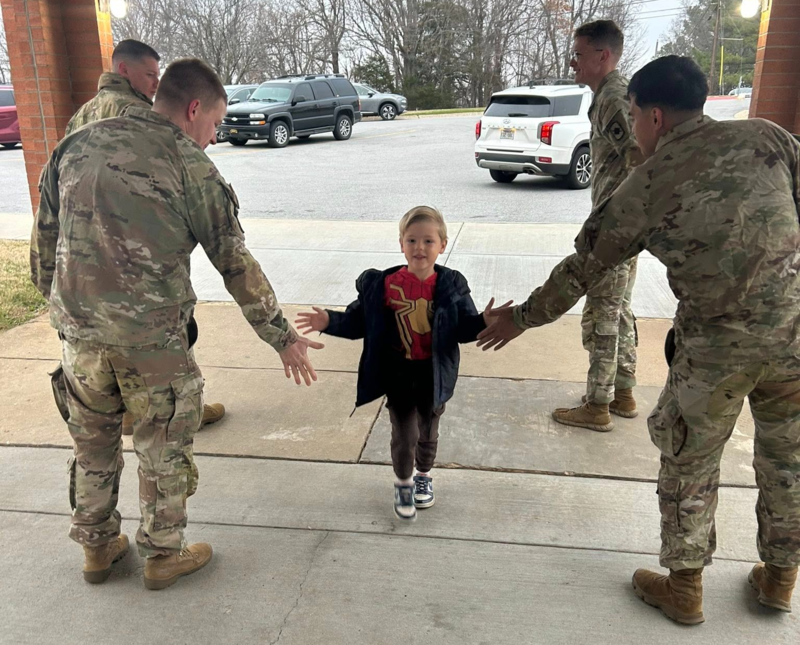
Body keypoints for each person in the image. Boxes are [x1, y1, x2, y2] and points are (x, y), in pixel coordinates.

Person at [477, 55, 800, 624]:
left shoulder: (646, 182)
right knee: (790, 459)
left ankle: (685, 587)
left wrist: (519, 318)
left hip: (716, 350)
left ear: (653, 116)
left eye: (634, 115)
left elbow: (583, 270)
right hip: (795, 333)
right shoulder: (770, 137)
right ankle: (780, 578)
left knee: (688, 461)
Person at [31, 58, 323, 590]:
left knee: (92, 445)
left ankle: (96, 550)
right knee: (163, 445)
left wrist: (71, 316)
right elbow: (235, 262)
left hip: (80, 339)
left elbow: (43, 249)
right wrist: (282, 337)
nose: (213, 138)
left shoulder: (76, 144)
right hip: (153, 344)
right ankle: (164, 554)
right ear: (193, 109)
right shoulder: (189, 162)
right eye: (214, 125)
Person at [62, 39, 226, 433]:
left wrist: (67, 304)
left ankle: (137, 409)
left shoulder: (80, 120)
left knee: (91, 455)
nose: (155, 83)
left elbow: (51, 218)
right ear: (124, 70)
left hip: (84, 303)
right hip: (142, 307)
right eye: (150, 74)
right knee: (164, 437)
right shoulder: (145, 118)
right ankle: (166, 408)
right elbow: (229, 253)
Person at [296, 206, 499, 521]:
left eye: (428, 241)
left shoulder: (452, 285)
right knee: (404, 434)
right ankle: (403, 482)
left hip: (434, 375)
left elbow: (461, 330)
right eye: (412, 240)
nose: (420, 247)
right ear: (401, 244)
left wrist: (483, 321)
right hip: (399, 374)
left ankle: (423, 475)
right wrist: (328, 321)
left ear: (442, 245)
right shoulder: (383, 285)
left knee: (428, 432)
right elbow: (357, 322)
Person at [554, 19, 643, 433]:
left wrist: (618, 222)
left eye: (579, 54)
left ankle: (598, 404)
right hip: (624, 225)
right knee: (620, 309)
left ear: (602, 56)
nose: (573, 62)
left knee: (603, 313)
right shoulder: (610, 95)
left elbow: (639, 155)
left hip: (615, 230)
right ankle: (622, 391)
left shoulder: (613, 98)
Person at [65, 39, 160, 136]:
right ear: (124, 70)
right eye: (150, 74)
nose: (157, 83)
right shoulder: (139, 112)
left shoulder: (79, 116)